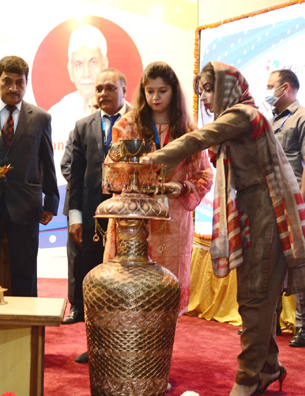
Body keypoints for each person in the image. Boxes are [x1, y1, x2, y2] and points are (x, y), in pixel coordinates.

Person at [142, 61, 305, 396]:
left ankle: (248, 378)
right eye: (202, 91)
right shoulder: (241, 117)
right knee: (255, 296)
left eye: (210, 89)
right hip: (254, 211)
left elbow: (198, 138)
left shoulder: (243, 115)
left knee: (255, 298)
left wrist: (150, 160)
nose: (205, 98)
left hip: (267, 211)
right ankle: (268, 367)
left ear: (229, 88)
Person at [103, 61, 213, 316]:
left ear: (173, 91)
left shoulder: (188, 131)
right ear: (143, 91)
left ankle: (161, 339)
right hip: (133, 219)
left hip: (173, 222)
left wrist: (182, 187)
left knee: (166, 293)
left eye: (162, 91)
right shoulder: (127, 126)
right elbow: (112, 170)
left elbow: (205, 176)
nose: (155, 97)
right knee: (128, 287)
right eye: (150, 91)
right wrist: (139, 177)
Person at [0, 56, 59, 297]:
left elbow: (46, 162)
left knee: (25, 272)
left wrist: (51, 202)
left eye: (20, 82)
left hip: (25, 204)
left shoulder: (40, 117)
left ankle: (26, 317)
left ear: (26, 83)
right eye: (7, 81)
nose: (13, 88)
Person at [66, 68, 131, 362]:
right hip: (94, 219)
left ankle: (127, 347)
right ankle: (97, 347)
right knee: (95, 281)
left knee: (126, 281)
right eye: (99, 88)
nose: (103, 93)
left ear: (124, 90)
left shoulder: (138, 123)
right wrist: (75, 217)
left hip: (129, 217)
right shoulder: (83, 127)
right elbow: (75, 176)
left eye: (110, 88)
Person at [265, 68, 305, 347]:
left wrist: (303, 204)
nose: (267, 91)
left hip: (295, 203)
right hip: (272, 201)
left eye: (270, 86)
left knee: (299, 265)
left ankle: (304, 327)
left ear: (285, 88)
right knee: (271, 264)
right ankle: (271, 322)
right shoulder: (272, 120)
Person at [59, 97, 100, 324]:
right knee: (76, 258)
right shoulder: (79, 130)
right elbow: (67, 166)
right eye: (94, 107)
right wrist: (86, 182)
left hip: (105, 204)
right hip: (79, 202)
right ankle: (76, 306)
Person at [49, 24, 109, 177]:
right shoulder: (54, 116)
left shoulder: (123, 114)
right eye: (78, 64)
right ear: (70, 70)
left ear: (105, 65)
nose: (86, 73)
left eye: (93, 62)